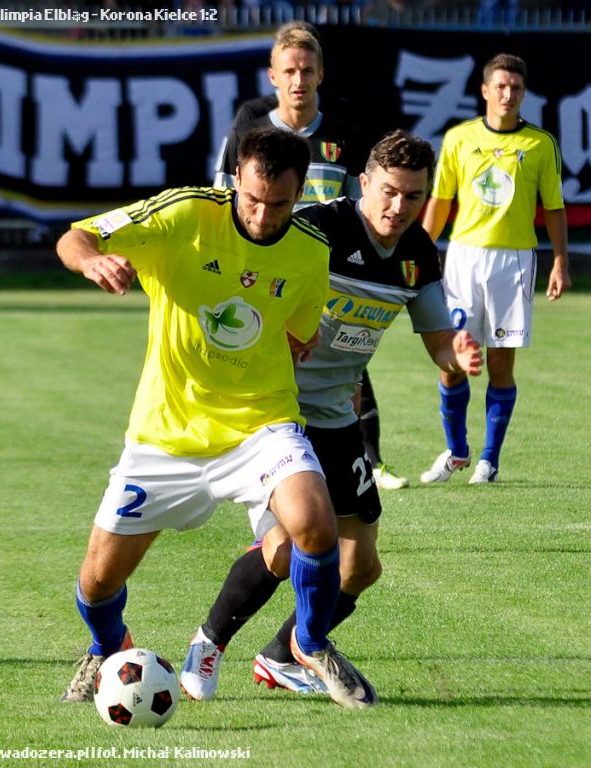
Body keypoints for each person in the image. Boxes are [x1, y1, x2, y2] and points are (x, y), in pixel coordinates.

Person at [57, 126, 376, 711]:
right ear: (235, 181)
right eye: (252, 198)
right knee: (97, 582)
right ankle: (105, 647)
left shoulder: (310, 249)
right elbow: (75, 237)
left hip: (261, 424)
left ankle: (309, 643)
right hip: (165, 433)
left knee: (315, 523)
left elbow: (298, 333)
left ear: (299, 194)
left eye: (279, 204)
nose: (262, 215)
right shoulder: (184, 214)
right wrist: (93, 262)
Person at [179, 129, 484, 701]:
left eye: (413, 196)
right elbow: (242, 274)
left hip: (336, 416)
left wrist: (457, 352)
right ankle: (208, 643)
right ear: (364, 182)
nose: (398, 206)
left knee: (361, 567)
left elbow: (439, 342)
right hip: (271, 412)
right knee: (288, 543)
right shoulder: (314, 228)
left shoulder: (417, 254)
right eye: (389, 191)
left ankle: (283, 655)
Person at [215, 22, 407, 491]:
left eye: (306, 70)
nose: (298, 80)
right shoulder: (251, 127)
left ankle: (367, 461)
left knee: (347, 363)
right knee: (259, 358)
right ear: (273, 76)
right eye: (289, 71)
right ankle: (251, 457)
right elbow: (224, 199)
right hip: (265, 272)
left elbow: (360, 207)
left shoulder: (344, 132)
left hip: (326, 275)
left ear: (321, 74)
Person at [420, 53, 570, 485]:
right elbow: (441, 201)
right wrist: (421, 253)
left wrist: (560, 260)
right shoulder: (459, 138)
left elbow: (554, 207)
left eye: (516, 88)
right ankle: (457, 451)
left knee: (500, 365)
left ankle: (489, 459)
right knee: (453, 360)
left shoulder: (540, 144)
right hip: (463, 259)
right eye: (500, 86)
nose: (508, 94)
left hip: (514, 262)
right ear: (485, 90)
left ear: (524, 94)